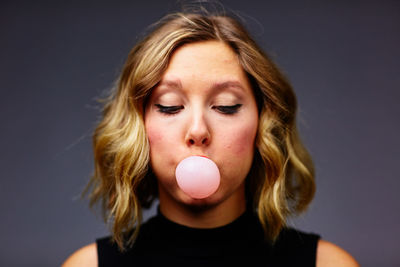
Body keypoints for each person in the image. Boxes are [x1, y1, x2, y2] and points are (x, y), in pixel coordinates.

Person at [63, 9, 359, 267]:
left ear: (263, 125)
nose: (198, 131)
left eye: (227, 106)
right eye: (170, 106)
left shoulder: (329, 264)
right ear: (139, 126)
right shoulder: (87, 265)